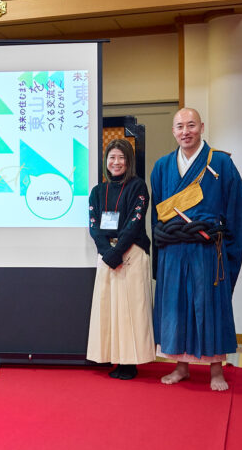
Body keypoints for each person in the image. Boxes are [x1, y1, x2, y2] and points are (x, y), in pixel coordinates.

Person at [151, 108, 242, 391]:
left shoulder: (221, 163)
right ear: (173, 131)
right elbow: (157, 217)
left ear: (202, 127)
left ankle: (216, 369)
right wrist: (160, 254)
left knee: (210, 306)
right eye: (179, 126)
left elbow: (235, 213)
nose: (185, 131)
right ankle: (181, 365)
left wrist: (229, 255)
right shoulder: (162, 166)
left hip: (207, 249)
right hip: (174, 249)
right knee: (177, 307)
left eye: (191, 125)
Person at [86, 139, 155, 379]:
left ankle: (130, 363)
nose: (116, 162)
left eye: (121, 158)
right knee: (109, 310)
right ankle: (114, 358)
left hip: (132, 253)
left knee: (131, 311)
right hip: (107, 256)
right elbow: (94, 225)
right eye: (112, 157)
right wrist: (107, 252)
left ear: (129, 161)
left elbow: (135, 223)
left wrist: (118, 251)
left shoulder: (138, 187)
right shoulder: (97, 191)